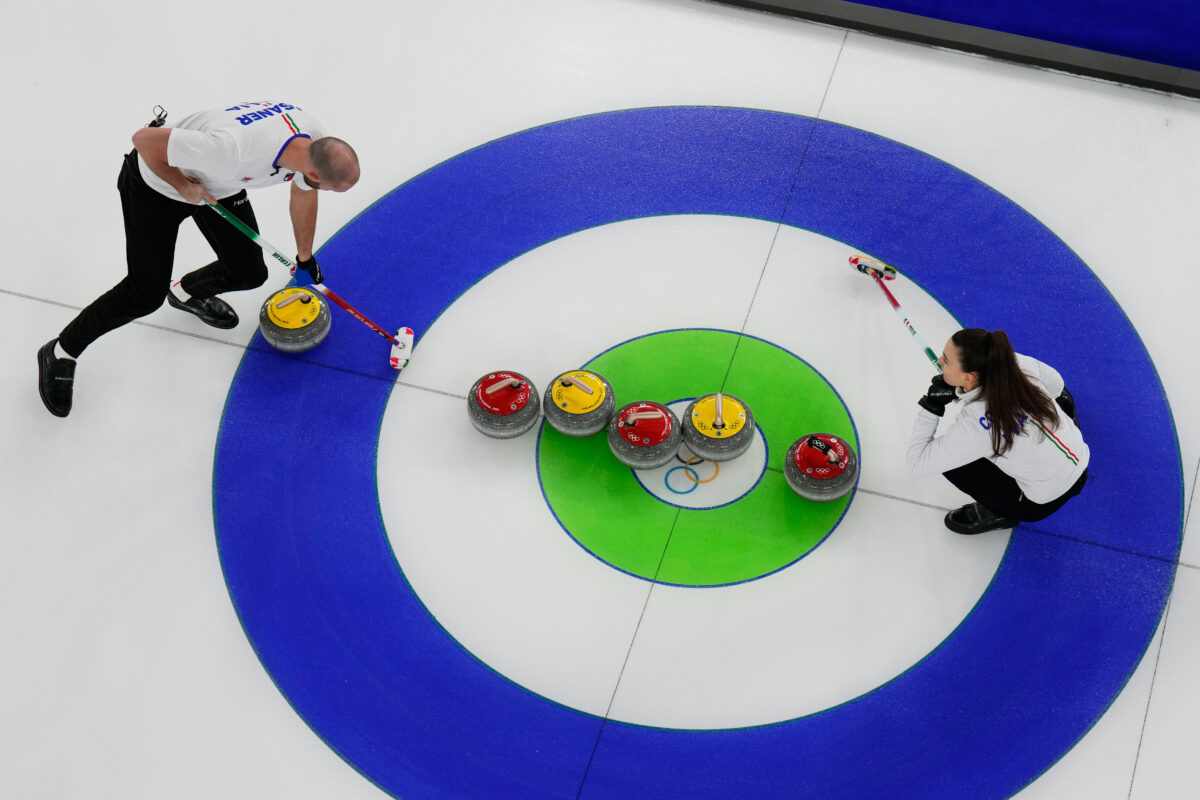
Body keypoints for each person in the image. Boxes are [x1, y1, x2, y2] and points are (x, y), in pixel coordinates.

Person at [37, 101, 360, 417]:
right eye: (330, 187)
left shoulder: (313, 139)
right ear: (316, 172)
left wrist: (305, 257)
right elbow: (144, 141)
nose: (321, 189)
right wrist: (181, 185)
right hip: (156, 189)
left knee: (248, 271)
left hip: (218, 186)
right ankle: (61, 351)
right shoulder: (232, 150)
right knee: (143, 295)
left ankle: (185, 293)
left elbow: (303, 193)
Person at [906, 329, 1089, 534]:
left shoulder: (975, 426)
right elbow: (1057, 384)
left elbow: (917, 463)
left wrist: (932, 406)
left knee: (953, 464)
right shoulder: (1013, 363)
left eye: (946, 360)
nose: (939, 361)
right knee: (1054, 401)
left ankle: (1001, 513)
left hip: (1040, 503)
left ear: (969, 377)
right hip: (1081, 459)